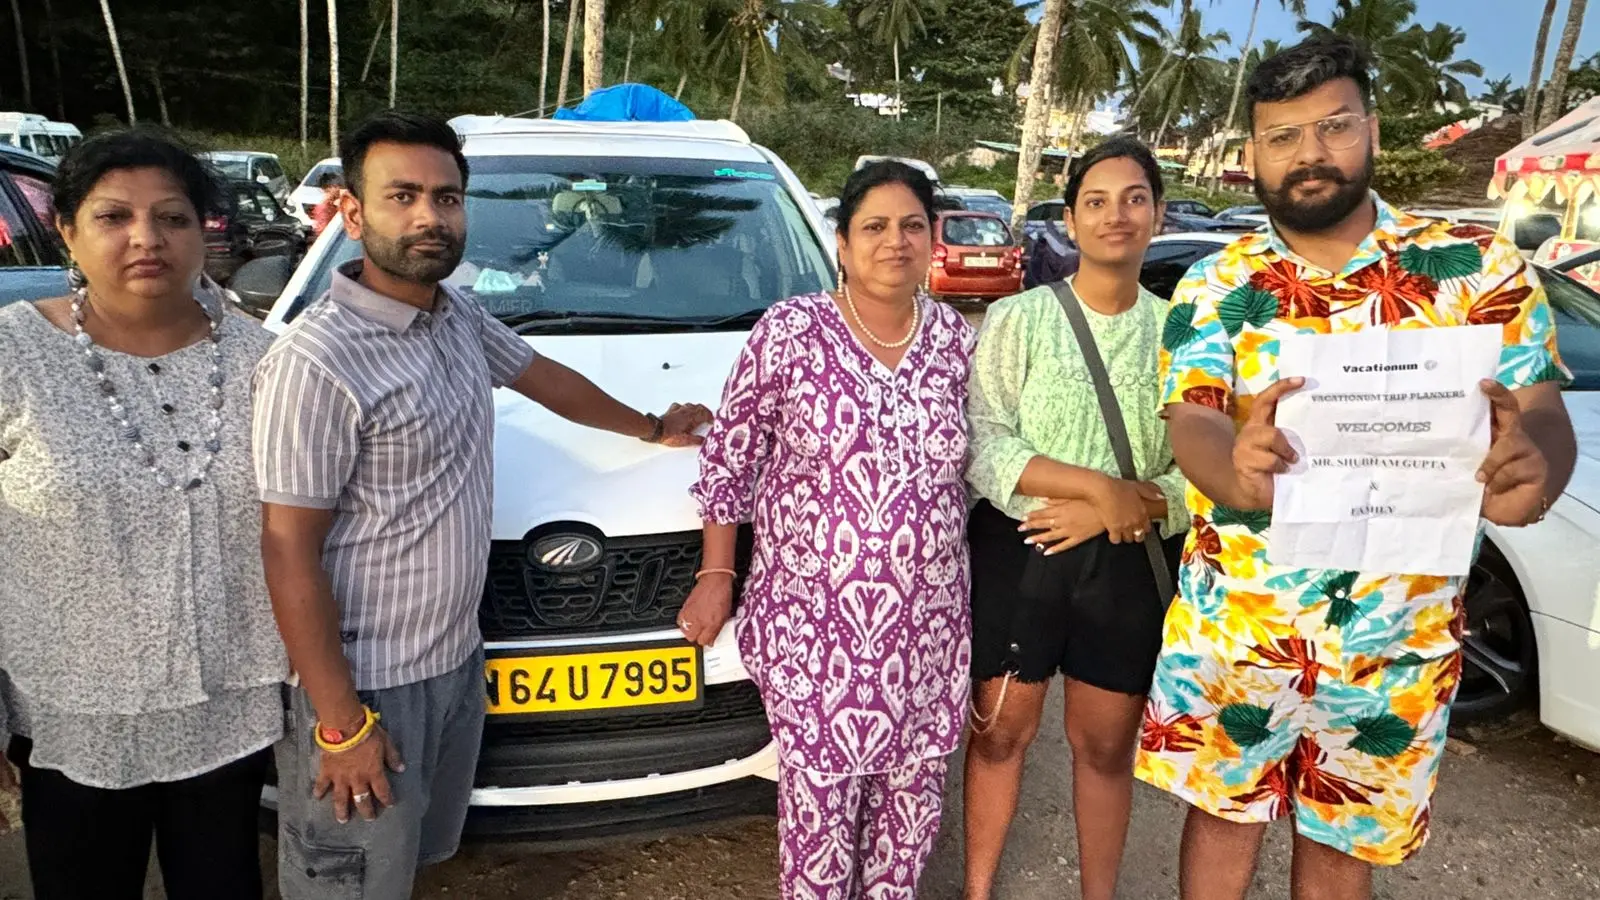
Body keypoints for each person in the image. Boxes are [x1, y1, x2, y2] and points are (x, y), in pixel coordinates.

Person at [1136, 36, 1577, 900]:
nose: (1309, 154)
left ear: (1370, 129)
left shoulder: (1477, 270)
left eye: (1332, 127)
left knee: (1342, 846)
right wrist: (1234, 473)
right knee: (1222, 820)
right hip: (1242, 625)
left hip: (1397, 639)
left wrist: (1539, 468)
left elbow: (1541, 411)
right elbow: (1192, 417)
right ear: (1252, 154)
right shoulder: (1217, 281)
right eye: (1282, 136)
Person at [253, 111, 712, 900]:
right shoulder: (317, 361)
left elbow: (543, 378)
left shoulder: (453, 316)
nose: (430, 217)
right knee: (348, 879)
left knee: (405, 864)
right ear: (353, 215)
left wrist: (651, 428)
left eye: (448, 197)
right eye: (403, 196)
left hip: (455, 662)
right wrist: (338, 723)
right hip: (369, 683)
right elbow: (287, 549)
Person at [678, 161, 976, 900]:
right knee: (818, 821)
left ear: (932, 240)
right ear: (841, 243)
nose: (894, 242)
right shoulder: (792, 331)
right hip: (816, 632)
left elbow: (989, 463)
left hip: (928, 629)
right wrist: (718, 574)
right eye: (874, 227)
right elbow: (731, 456)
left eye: (912, 225)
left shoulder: (958, 345)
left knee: (908, 815)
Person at [0, 131, 286, 899]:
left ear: (204, 230)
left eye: (172, 217)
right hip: (74, 711)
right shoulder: (13, 354)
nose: (146, 238)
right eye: (113, 216)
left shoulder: (271, 361)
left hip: (228, 707)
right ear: (65, 228)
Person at [962, 138, 1189, 900]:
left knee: (1102, 748)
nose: (1115, 216)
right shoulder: (1018, 319)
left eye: (1134, 199)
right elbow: (983, 440)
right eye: (1096, 201)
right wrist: (1100, 488)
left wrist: (1117, 512)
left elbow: (1200, 471)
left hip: (1127, 557)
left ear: (1157, 213)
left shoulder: (1183, 333)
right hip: (1020, 549)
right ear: (1071, 219)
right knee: (999, 733)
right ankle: (979, 889)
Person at [310, 170, 344, 237]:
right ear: (328, 188)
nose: (339, 189)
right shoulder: (323, 208)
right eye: (336, 186)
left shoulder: (335, 202)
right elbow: (324, 233)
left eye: (340, 186)